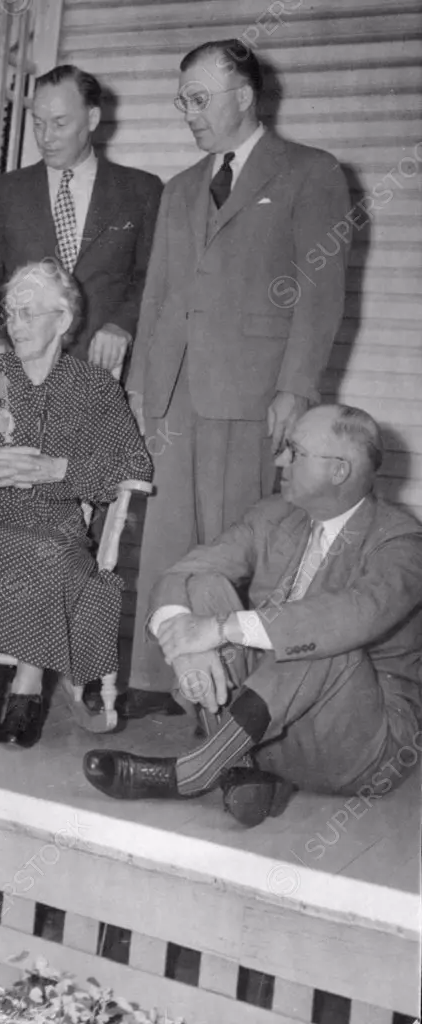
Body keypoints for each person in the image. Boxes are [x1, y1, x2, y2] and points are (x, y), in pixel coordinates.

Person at [124, 40, 352, 706]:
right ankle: (159, 680)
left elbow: (322, 292)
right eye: (182, 101)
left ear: (244, 97)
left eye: (199, 99)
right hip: (175, 393)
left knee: (237, 546)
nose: (187, 113)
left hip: (256, 394)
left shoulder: (310, 172)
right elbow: (159, 296)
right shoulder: (179, 189)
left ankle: (236, 693)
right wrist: (140, 388)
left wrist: (297, 387)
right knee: (168, 542)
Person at [84, 405, 422, 826]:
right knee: (203, 588)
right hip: (262, 731)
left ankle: (194, 773)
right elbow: (183, 574)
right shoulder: (273, 515)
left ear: (339, 471)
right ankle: (239, 769)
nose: (279, 459)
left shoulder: (402, 542)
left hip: (354, 747)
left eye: (294, 452)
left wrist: (218, 629)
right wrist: (185, 643)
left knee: (322, 638)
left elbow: (353, 615)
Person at [0, 262, 153, 749]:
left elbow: (133, 465)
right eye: (10, 314)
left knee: (45, 553)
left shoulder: (94, 387)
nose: (14, 325)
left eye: (27, 314)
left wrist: (60, 471)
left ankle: (28, 686)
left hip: (54, 523)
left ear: (62, 320)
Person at [0, 65, 162, 372]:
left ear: (92, 119)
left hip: (105, 374)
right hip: (19, 371)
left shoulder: (141, 191)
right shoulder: (2, 193)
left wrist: (123, 326)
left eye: (60, 123)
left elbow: (153, 276)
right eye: (38, 124)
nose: (46, 137)